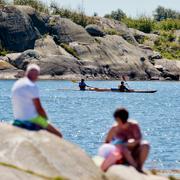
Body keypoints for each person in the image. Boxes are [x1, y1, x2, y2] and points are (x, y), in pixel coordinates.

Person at [12, 64, 62, 138]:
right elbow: (39, 108)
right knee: (58, 134)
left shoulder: (17, 83)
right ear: (36, 75)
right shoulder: (32, 86)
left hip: (17, 119)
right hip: (32, 119)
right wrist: (46, 119)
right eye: (37, 74)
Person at [105, 108, 150, 173]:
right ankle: (135, 167)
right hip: (120, 154)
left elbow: (139, 140)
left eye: (116, 119)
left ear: (118, 119)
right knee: (122, 147)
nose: (115, 121)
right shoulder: (114, 129)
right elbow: (106, 143)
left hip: (133, 150)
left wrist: (128, 143)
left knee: (145, 145)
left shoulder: (134, 126)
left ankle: (139, 167)